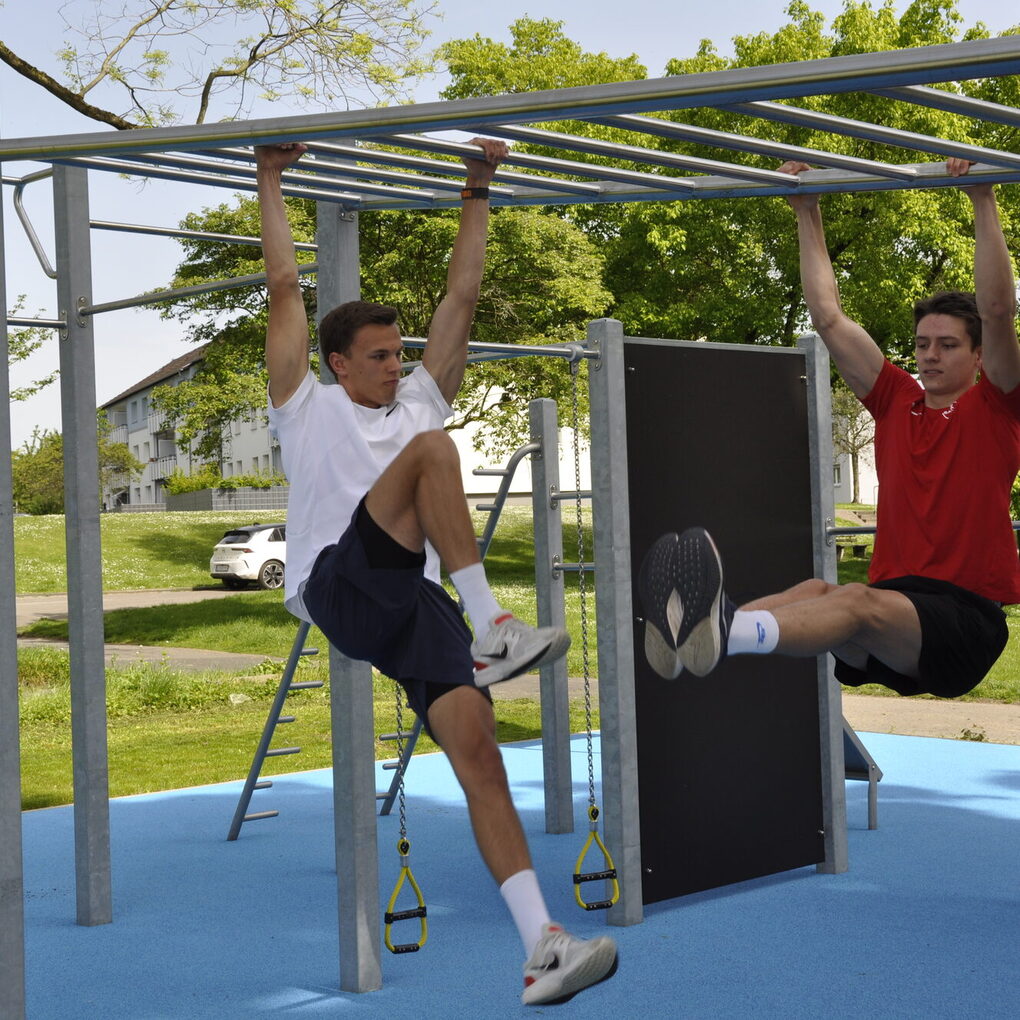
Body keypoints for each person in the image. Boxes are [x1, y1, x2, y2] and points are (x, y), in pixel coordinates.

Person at [255, 139, 618, 1006]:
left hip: (408, 601)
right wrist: (270, 178)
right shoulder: (304, 407)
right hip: (335, 584)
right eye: (377, 355)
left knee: (478, 750)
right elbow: (280, 291)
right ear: (338, 364)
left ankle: (543, 943)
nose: (394, 363)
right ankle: (494, 625)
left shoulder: (418, 401)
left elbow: (462, 294)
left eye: (397, 353)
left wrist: (478, 186)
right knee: (431, 453)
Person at [639, 159, 1020, 698]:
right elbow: (828, 317)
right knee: (818, 590)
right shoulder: (896, 402)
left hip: (963, 623)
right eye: (922, 344)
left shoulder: (999, 406)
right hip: (893, 616)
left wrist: (983, 197)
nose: (930, 355)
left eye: (948, 345)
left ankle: (724, 630)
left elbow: (999, 309)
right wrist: (806, 209)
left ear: (979, 355)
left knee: (851, 600)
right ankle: (699, 630)